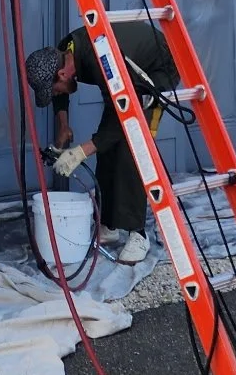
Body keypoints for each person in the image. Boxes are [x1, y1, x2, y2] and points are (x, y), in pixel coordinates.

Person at [24, 21, 178, 265]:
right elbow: (64, 95)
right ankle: (109, 223)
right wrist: (63, 126)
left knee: (129, 146)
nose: (56, 94)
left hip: (156, 68)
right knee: (105, 146)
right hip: (123, 78)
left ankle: (138, 234)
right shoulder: (65, 49)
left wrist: (79, 153)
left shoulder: (99, 61)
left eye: (53, 89)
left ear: (63, 74)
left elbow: (123, 118)